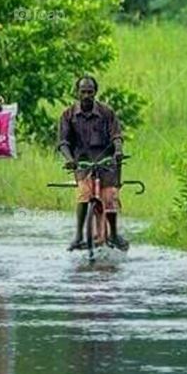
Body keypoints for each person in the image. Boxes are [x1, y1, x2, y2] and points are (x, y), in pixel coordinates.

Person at [58, 75, 127, 251]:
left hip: (106, 162)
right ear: (77, 93)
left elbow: (116, 136)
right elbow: (63, 143)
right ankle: (79, 235)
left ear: (95, 92)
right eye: (83, 92)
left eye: (90, 92)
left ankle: (113, 234)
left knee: (110, 196)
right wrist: (70, 160)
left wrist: (118, 150)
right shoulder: (68, 115)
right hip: (82, 163)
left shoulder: (107, 112)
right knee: (84, 194)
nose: (87, 95)